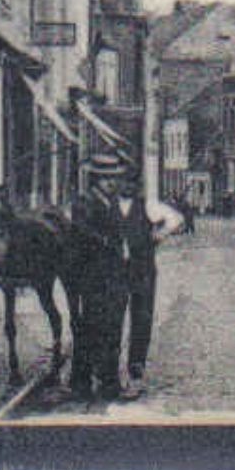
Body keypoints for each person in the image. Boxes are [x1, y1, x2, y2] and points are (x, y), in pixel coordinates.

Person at [68, 153, 139, 402]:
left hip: (113, 276)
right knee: (92, 329)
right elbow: (81, 231)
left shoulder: (111, 202)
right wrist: (108, 242)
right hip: (93, 277)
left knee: (111, 329)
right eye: (107, 178)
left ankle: (105, 382)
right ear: (96, 179)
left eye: (115, 178)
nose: (112, 183)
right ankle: (84, 383)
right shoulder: (84, 202)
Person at [114, 172, 185, 384]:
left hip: (142, 267)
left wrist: (159, 235)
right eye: (123, 182)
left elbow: (175, 219)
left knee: (142, 314)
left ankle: (136, 363)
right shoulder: (109, 206)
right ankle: (110, 365)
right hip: (116, 269)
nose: (127, 186)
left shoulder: (148, 206)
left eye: (131, 183)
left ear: (138, 186)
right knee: (113, 315)